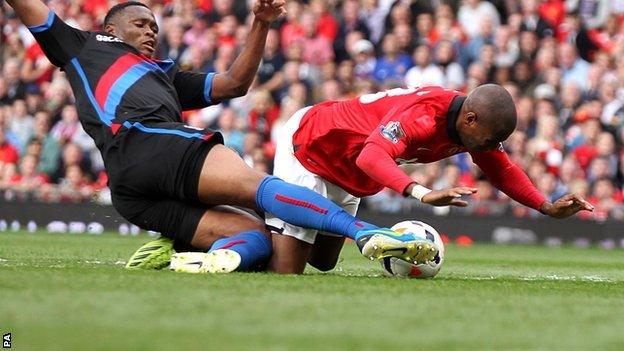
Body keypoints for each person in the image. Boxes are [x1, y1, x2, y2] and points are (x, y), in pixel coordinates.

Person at [6, 0, 437, 273]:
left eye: (155, 25)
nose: (151, 31)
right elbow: (29, 9)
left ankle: (186, 257)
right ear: (113, 30)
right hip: (153, 142)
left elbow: (234, 84)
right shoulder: (81, 46)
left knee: (256, 240)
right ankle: (363, 232)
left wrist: (261, 25)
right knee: (261, 189)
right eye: (140, 24)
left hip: (130, 190)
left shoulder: (164, 75)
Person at [266, 84, 595, 274]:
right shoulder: (424, 116)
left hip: (350, 172)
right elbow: (370, 155)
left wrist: (546, 206)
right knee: (287, 270)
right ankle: (251, 211)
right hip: (311, 148)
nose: (494, 147)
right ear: (470, 119)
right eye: (492, 139)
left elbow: (503, 170)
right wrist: (421, 193)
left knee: (323, 262)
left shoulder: (470, 128)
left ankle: (272, 219)